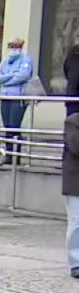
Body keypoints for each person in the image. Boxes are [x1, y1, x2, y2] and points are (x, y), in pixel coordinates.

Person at [0, 37, 34, 163]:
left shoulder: (26, 59)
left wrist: (6, 80)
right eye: (11, 46)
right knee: (7, 127)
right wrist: (12, 75)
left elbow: (23, 76)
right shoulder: (5, 61)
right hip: (4, 97)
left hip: (18, 97)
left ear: (20, 48)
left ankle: (16, 155)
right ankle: (8, 154)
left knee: (14, 126)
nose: (13, 49)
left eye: (15, 47)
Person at [64, 112, 79, 278]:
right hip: (75, 182)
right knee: (76, 222)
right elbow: (76, 146)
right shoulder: (73, 121)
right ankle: (76, 262)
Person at [64, 44, 79, 118]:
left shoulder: (71, 53)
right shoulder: (72, 54)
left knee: (71, 125)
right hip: (72, 97)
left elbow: (66, 71)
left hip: (71, 96)